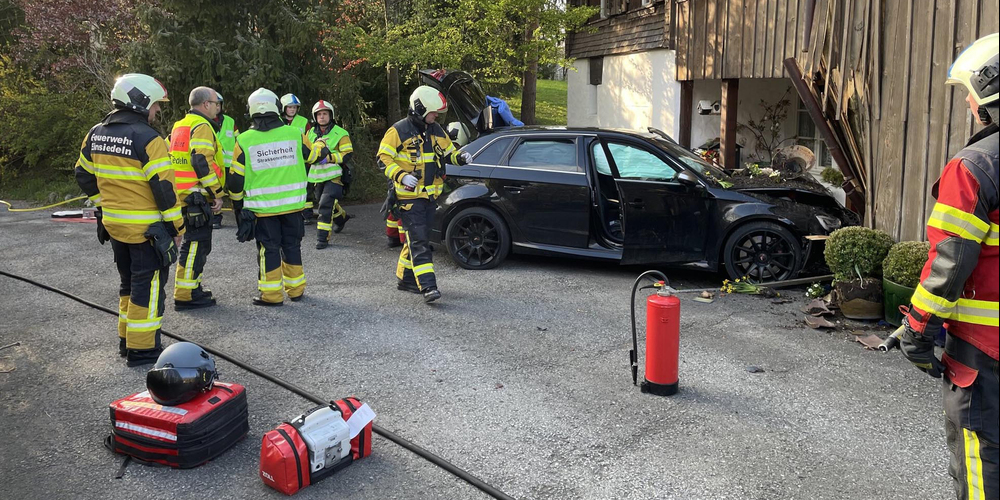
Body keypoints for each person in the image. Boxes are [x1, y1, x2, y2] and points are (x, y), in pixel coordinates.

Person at [899, 32, 998, 500]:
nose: (965, 106)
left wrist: (917, 329)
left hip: (987, 353)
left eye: (967, 96)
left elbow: (950, 260)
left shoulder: (975, 166)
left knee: (984, 461)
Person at [74, 73, 183, 366]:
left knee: (128, 284)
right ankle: (143, 349)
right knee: (147, 290)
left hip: (115, 227)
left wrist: (103, 205)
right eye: (156, 105)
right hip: (148, 231)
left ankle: (126, 340)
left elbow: (83, 174)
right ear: (140, 101)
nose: (158, 111)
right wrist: (177, 228)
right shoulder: (149, 138)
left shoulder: (96, 133)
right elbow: (164, 190)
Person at [227, 88, 329, 306]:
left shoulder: (244, 140)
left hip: (263, 211)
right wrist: (321, 144)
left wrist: (237, 207)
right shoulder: (294, 134)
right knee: (292, 246)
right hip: (294, 207)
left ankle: (271, 295)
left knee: (268, 249)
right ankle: (296, 290)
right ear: (277, 108)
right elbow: (315, 156)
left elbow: (235, 181)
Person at [376, 85, 472, 303]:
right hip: (408, 198)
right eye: (433, 112)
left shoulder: (436, 130)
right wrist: (400, 175)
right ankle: (428, 286)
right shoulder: (398, 130)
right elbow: (382, 158)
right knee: (420, 241)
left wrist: (462, 158)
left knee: (415, 239)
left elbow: (449, 154)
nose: (436, 116)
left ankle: (405, 279)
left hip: (429, 196)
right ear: (420, 108)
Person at [168, 86, 225, 310]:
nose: (218, 107)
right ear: (205, 105)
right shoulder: (201, 126)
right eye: (215, 103)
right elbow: (200, 161)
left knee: (193, 245)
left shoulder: (179, 125)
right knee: (195, 246)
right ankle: (186, 294)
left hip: (182, 195)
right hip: (196, 196)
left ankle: (192, 287)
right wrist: (217, 193)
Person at [307, 100, 354, 249]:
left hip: (335, 176)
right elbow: (306, 152)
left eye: (325, 114)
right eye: (319, 114)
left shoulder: (340, 133)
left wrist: (330, 158)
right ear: (315, 117)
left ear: (330, 115)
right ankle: (341, 218)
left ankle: (322, 239)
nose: (322, 117)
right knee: (325, 203)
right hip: (316, 177)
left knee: (325, 205)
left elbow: (347, 154)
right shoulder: (309, 133)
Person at [281, 93, 316, 224]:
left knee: (306, 187)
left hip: (302, 161)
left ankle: (307, 214)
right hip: (284, 160)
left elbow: (310, 139)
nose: (292, 110)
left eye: (295, 107)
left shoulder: (304, 121)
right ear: (284, 108)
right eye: (290, 107)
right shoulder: (278, 121)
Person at [212, 91, 239, 229]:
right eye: (214, 104)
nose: (217, 107)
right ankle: (216, 218)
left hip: (229, 163)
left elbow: (237, 139)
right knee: (215, 190)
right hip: (214, 163)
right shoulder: (204, 121)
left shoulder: (230, 121)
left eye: (219, 104)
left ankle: (239, 213)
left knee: (234, 189)